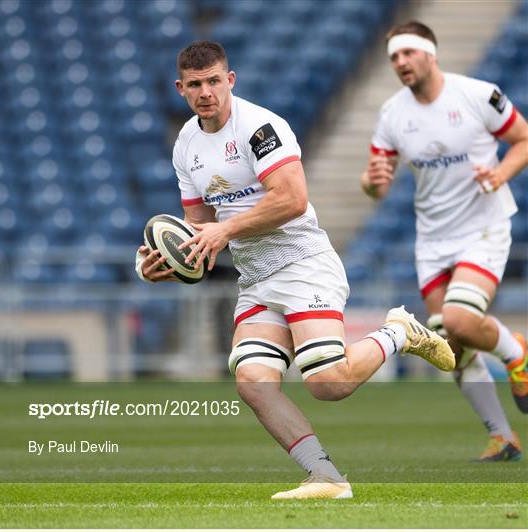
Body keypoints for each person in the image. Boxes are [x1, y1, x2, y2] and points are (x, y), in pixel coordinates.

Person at [136, 40, 455, 499]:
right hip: (256, 276)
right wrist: (162, 262)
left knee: (327, 382)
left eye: (213, 81)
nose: (205, 91)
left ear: (230, 80)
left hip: (303, 262)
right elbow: (199, 227)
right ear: (180, 89)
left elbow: (291, 199)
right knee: (253, 382)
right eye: (194, 85)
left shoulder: (260, 127)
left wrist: (224, 234)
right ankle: (325, 477)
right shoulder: (186, 143)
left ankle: (399, 333)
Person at [361, 21, 528, 462]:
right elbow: (376, 182)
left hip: (483, 228)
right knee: (446, 345)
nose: (399, 63)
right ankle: (502, 436)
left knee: (456, 319)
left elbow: (523, 139)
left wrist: (500, 174)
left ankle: (517, 351)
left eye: (407, 54)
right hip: (432, 239)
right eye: (394, 57)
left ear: (429, 54)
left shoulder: (478, 95)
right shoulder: (392, 114)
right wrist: (372, 182)